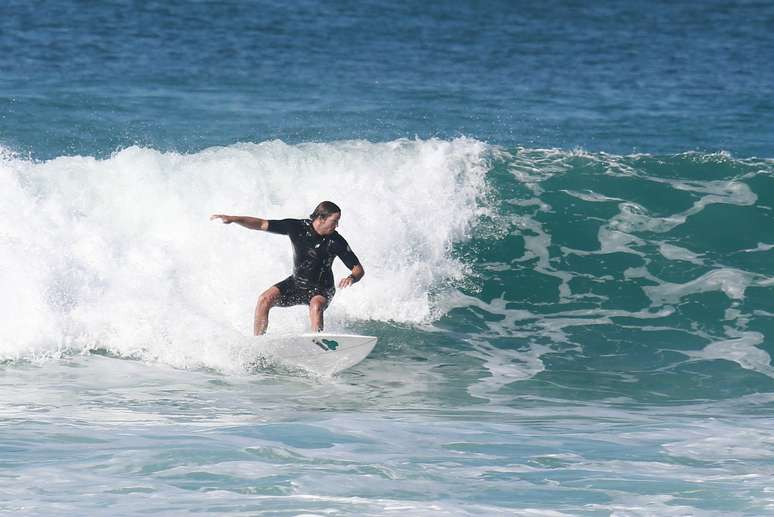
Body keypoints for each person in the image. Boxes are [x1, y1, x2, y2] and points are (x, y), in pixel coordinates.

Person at [210, 201, 364, 335]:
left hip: (322, 289)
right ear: (321, 218)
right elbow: (261, 224)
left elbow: (358, 269)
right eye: (335, 221)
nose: (337, 225)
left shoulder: (336, 241)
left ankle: (319, 343)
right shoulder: (296, 227)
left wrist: (351, 277)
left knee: (316, 305)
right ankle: (258, 344)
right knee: (264, 299)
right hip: (297, 283)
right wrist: (234, 219)